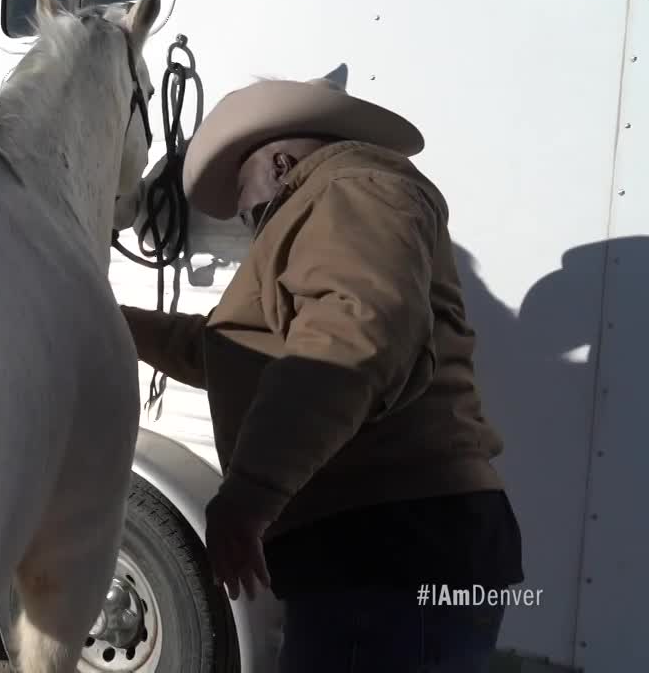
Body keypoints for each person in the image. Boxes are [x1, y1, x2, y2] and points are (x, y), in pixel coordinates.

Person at [121, 65, 524, 672]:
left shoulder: (350, 188)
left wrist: (250, 495)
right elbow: (230, 350)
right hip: (391, 544)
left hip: (386, 546)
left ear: (281, 164)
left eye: (246, 203)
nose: (248, 222)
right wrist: (110, 321)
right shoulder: (340, 205)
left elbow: (350, 335)